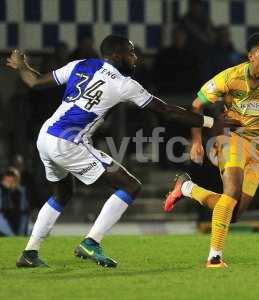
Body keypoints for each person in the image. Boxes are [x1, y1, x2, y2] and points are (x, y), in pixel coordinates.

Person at [6, 34, 240, 268]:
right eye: (131, 53)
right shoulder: (123, 83)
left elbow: (35, 82)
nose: (136, 58)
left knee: (62, 193)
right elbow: (167, 111)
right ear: (118, 56)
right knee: (130, 185)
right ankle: (91, 242)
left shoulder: (82, 64)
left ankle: (30, 253)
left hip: (46, 136)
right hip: (69, 142)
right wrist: (211, 122)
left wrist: (22, 66)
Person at [164, 33, 259, 268]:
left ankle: (186, 187)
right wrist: (197, 140)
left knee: (235, 213)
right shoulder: (230, 77)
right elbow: (196, 105)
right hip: (232, 138)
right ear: (251, 56)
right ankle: (214, 257)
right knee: (231, 191)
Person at [0, 168, 29, 236]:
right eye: (8, 177)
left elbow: (24, 208)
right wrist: (5, 189)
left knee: (24, 216)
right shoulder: (2, 190)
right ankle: (12, 235)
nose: (10, 180)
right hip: (4, 218)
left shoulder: (20, 191)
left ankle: (18, 235)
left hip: (17, 218)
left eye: (12, 178)